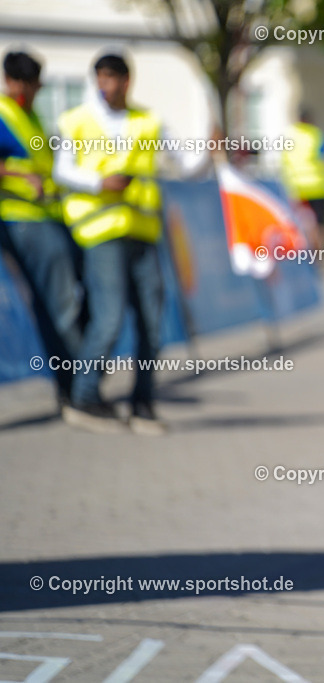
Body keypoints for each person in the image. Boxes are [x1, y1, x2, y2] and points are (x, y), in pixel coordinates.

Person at [54, 53, 166, 435]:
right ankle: (84, 397)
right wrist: (99, 183)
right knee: (109, 318)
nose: (107, 85)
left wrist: (213, 147)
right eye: (100, 77)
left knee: (152, 324)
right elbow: (62, 169)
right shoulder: (76, 120)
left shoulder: (148, 122)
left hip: (143, 230)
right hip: (100, 232)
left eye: (113, 77)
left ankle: (143, 404)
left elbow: (184, 163)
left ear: (127, 81)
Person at [0, 49, 82, 409]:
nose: (27, 90)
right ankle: (78, 386)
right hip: (21, 217)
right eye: (22, 83)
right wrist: (22, 176)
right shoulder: (4, 115)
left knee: (64, 298)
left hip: (47, 215)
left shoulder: (30, 116)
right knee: (58, 302)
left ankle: (76, 380)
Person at [282, 109, 324, 249]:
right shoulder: (316, 135)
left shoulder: (289, 136)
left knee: (298, 222)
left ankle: (302, 253)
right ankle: (316, 255)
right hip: (318, 187)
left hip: (295, 187)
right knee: (319, 223)